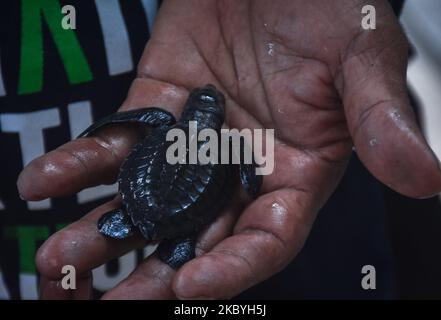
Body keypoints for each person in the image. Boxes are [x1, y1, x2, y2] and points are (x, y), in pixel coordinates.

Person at [2, 0, 440, 299]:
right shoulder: (230, 145)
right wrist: (247, 180)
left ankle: (163, 233)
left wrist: (101, 126)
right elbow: (247, 176)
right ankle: (177, 238)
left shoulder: (163, 122)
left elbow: (140, 123)